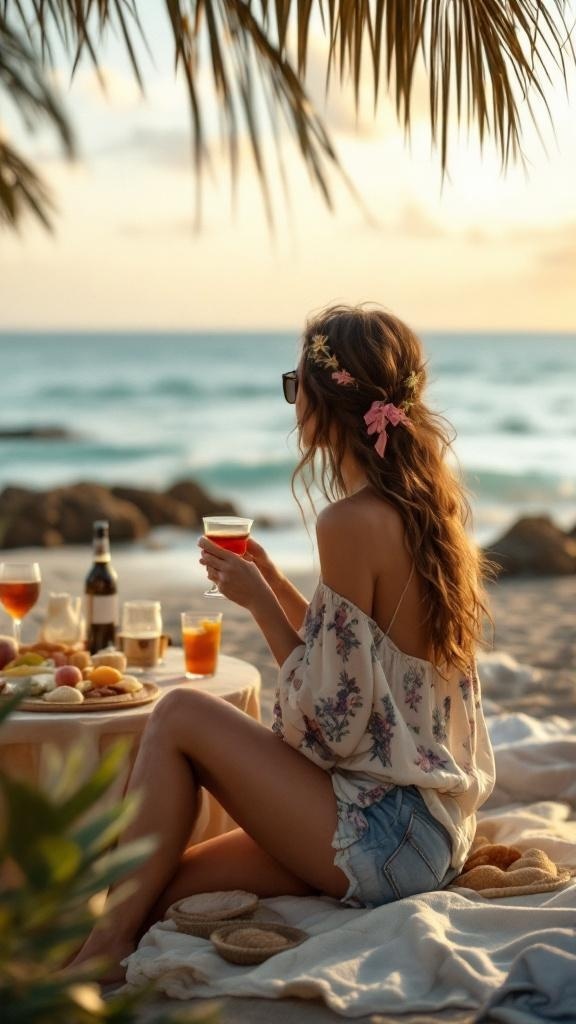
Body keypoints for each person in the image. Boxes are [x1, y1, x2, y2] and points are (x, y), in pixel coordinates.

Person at [71, 304, 495, 978]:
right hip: (429, 831)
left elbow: (329, 721)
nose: (292, 400)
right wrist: (270, 576)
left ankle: (102, 953)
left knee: (179, 713)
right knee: (163, 890)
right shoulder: (421, 507)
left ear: (324, 400)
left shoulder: (350, 521)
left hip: (384, 833)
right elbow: (357, 657)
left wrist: (257, 603)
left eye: (294, 385)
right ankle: (114, 934)